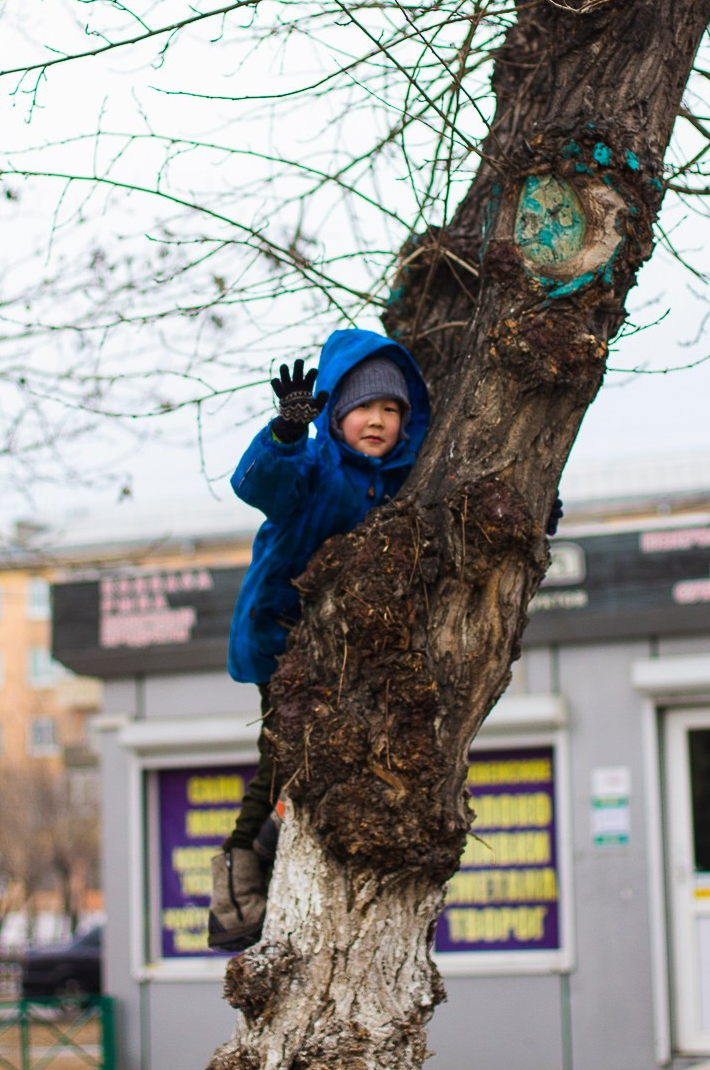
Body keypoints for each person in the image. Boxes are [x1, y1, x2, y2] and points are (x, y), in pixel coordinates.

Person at [208, 328, 431, 952]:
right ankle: (234, 884)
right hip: (279, 633)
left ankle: (275, 842)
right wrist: (285, 433)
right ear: (336, 411)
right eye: (364, 407)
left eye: (392, 410)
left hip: (348, 647)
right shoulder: (315, 465)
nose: (378, 420)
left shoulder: (401, 478)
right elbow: (259, 484)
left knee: (336, 747)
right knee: (282, 753)